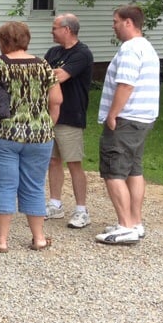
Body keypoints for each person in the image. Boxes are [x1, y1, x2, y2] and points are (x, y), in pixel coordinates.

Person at [0, 21, 62, 253]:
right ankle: (39, 238)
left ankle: (1, 240)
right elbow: (56, 101)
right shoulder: (43, 65)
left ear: (3, 42)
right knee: (34, 185)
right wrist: (47, 125)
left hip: (2, 133)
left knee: (3, 185)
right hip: (39, 135)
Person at [95, 5, 160, 245]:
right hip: (143, 118)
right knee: (134, 170)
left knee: (113, 171)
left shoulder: (131, 49)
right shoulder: (147, 47)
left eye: (115, 21)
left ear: (129, 23)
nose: (113, 26)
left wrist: (113, 114)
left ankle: (125, 226)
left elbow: (125, 84)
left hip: (127, 118)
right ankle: (135, 222)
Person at [44, 14, 95, 228]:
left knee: (74, 162)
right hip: (50, 114)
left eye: (55, 27)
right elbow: (44, 74)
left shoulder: (82, 53)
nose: (52, 31)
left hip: (71, 115)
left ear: (67, 29)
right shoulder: (53, 52)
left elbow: (59, 76)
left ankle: (81, 210)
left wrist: (49, 72)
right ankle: (55, 204)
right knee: (53, 160)